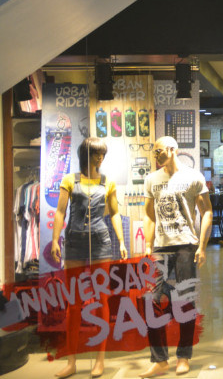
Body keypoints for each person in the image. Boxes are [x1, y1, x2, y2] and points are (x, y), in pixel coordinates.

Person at [51, 137, 128, 378]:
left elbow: (115, 213)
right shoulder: (69, 180)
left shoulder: (108, 182)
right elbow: (60, 211)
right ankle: (71, 361)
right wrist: (55, 240)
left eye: (102, 153)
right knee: (74, 303)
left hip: (100, 244)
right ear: (85, 154)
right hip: (74, 243)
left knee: (101, 300)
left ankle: (100, 360)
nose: (100, 157)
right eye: (96, 153)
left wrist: (122, 241)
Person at [139, 136, 213, 378]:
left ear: (172, 150)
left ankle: (183, 356)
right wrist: (147, 245)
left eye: (159, 151)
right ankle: (160, 360)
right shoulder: (152, 179)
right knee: (151, 299)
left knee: (185, 301)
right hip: (161, 248)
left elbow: (207, 211)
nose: (156, 155)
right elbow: (149, 215)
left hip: (186, 246)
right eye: (154, 152)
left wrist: (202, 246)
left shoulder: (193, 177)